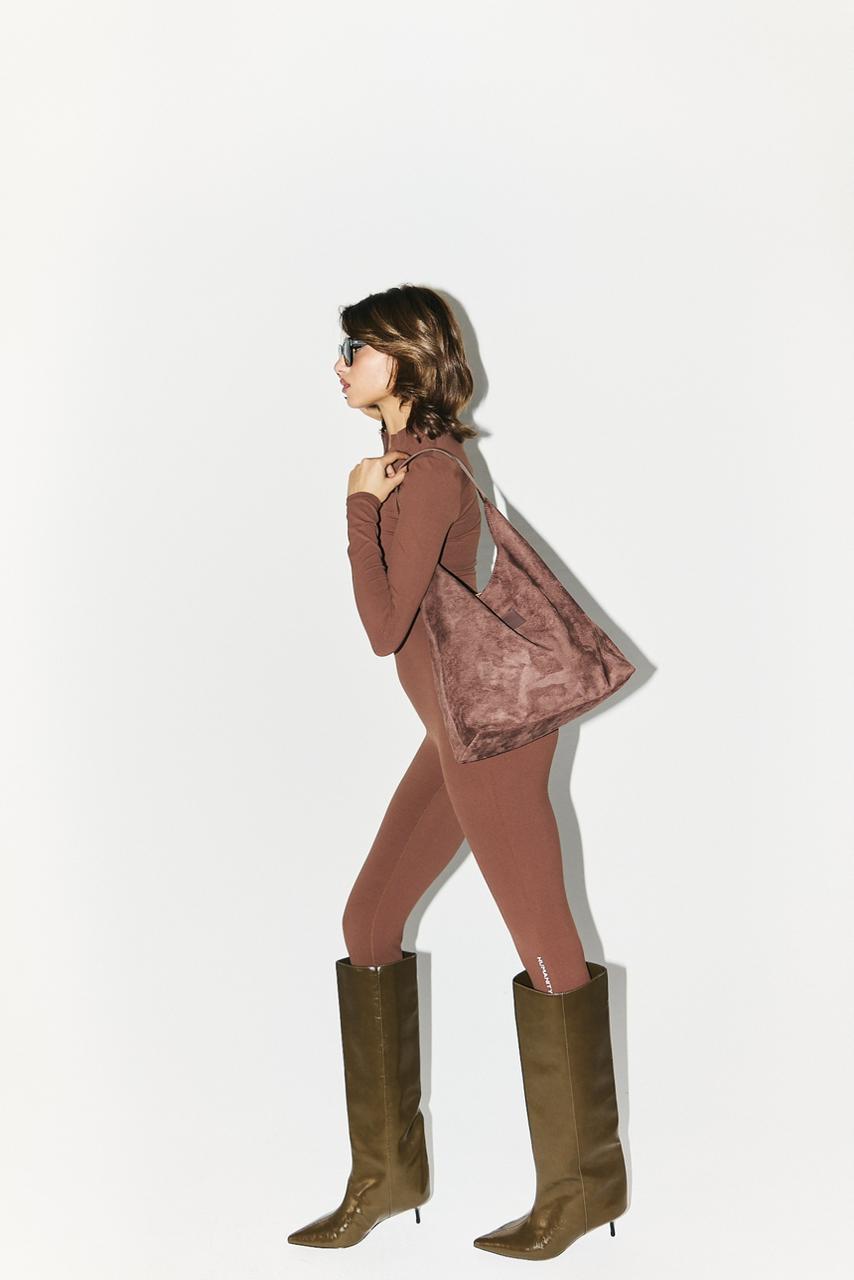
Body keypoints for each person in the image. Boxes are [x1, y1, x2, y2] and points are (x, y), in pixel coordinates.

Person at [288, 284, 627, 1259]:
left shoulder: (427, 474)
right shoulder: (409, 463)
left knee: (542, 936)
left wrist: (358, 506)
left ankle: (581, 1185)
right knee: (368, 921)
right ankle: (387, 1174)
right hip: (456, 733)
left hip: (494, 737)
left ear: (403, 358)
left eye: (356, 346)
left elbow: (382, 625)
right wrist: (372, 488)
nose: (340, 363)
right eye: (342, 347)